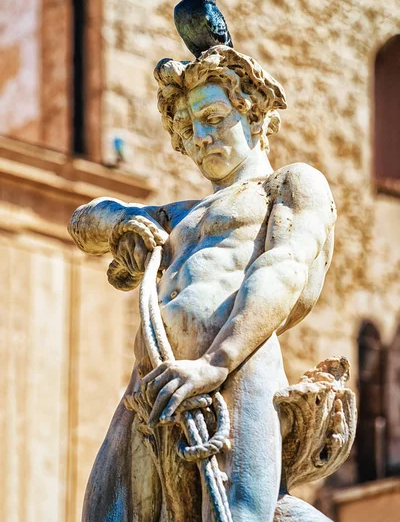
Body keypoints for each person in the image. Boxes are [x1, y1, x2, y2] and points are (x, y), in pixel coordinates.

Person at [68, 46, 336, 522]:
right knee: (104, 512)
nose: (202, 137)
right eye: (190, 129)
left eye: (214, 118)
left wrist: (216, 363)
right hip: (154, 380)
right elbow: (83, 220)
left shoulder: (288, 185)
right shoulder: (180, 215)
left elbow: (284, 266)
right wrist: (120, 225)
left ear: (254, 115)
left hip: (237, 366)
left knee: (237, 515)